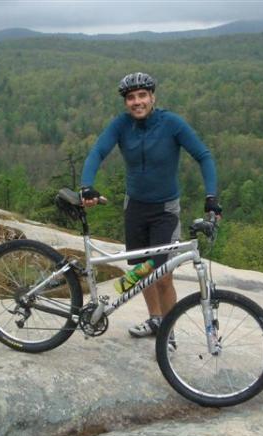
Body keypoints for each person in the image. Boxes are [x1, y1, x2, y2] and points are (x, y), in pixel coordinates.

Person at [80, 72, 222, 339]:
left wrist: (211, 198)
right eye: (131, 98)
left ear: (152, 97)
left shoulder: (171, 123)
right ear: (126, 102)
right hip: (135, 208)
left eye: (142, 95)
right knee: (141, 270)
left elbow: (203, 156)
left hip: (164, 211)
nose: (137, 102)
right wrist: (86, 185)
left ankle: (168, 333)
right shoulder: (121, 125)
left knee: (163, 274)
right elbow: (97, 152)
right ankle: (156, 320)